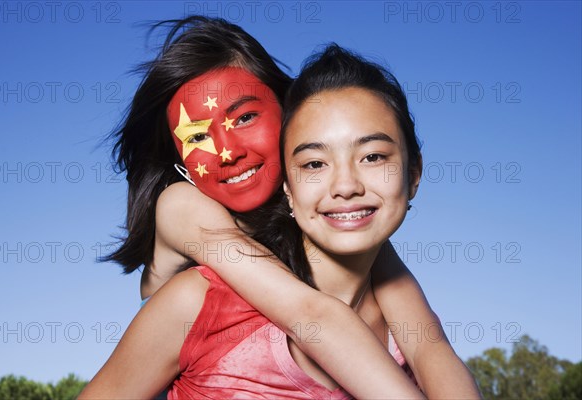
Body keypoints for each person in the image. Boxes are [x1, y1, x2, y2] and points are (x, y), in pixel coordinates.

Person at [91, 16, 478, 397]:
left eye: (244, 117)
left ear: (285, 112)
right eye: (196, 136)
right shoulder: (183, 206)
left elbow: (429, 344)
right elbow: (309, 314)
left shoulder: (340, 219)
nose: (228, 152)